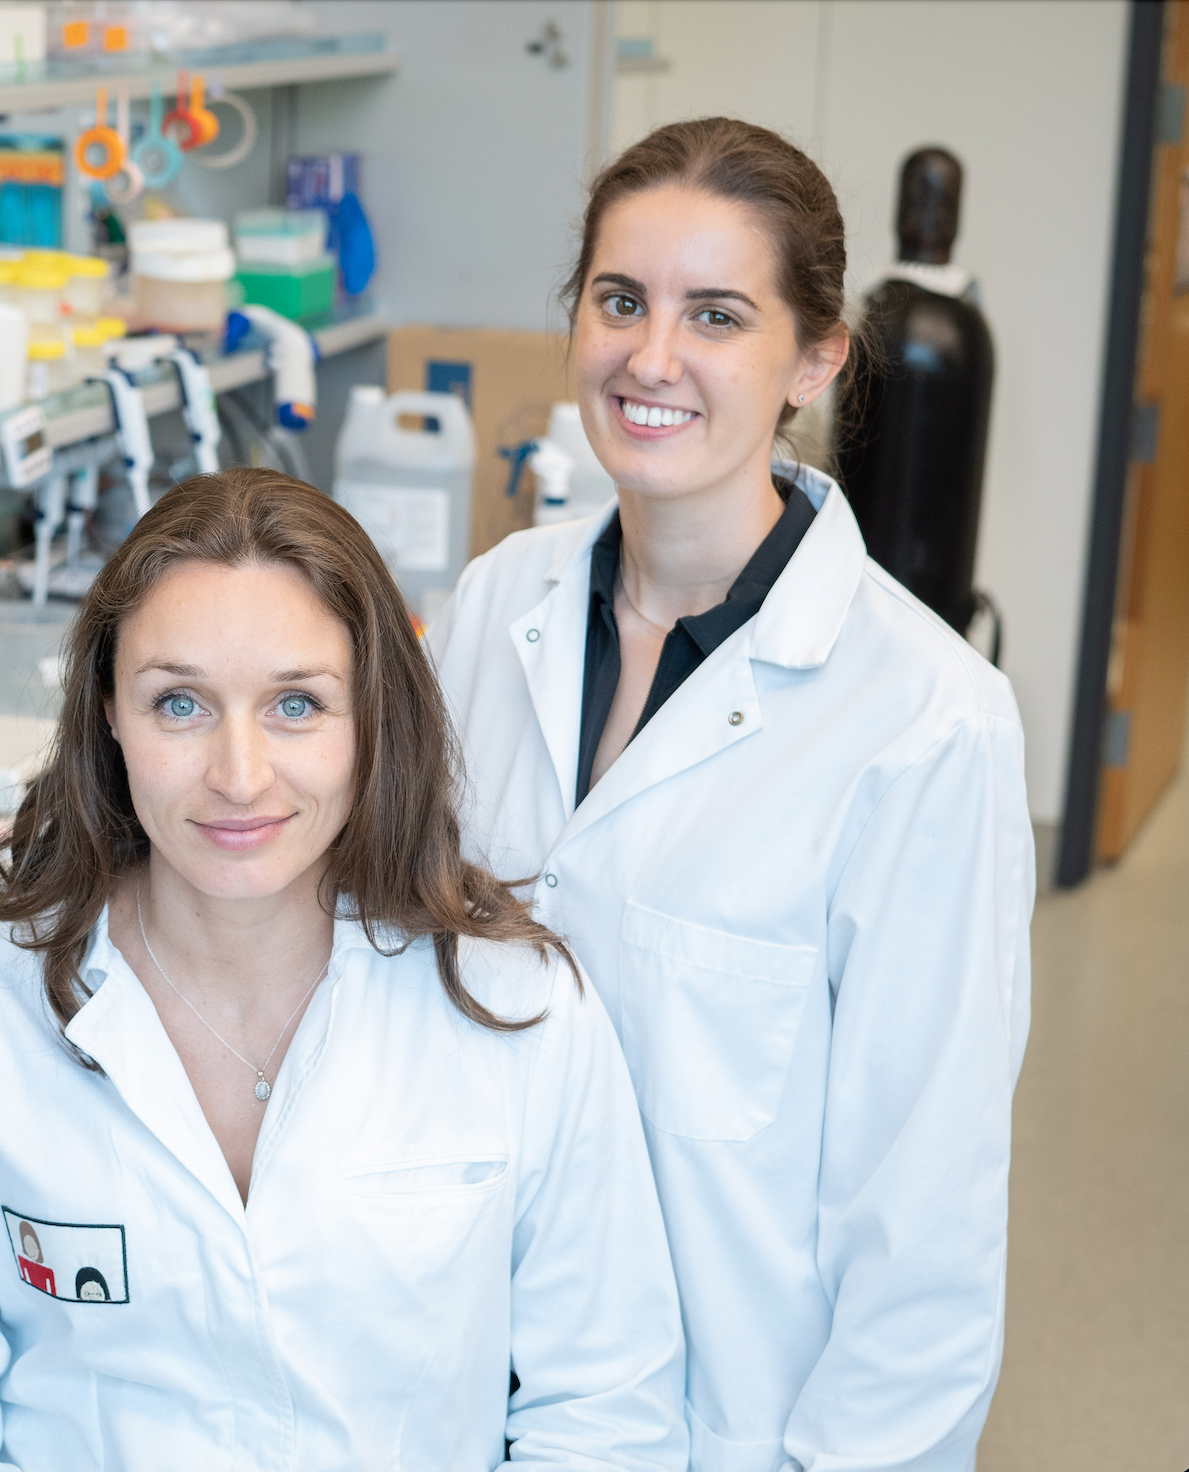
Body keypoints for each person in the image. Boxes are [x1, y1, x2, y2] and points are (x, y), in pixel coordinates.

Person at [0, 467, 689, 1471]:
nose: (239, 776)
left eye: (295, 704)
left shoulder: (518, 1005)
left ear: (372, 715)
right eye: (180, 702)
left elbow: (604, 1413)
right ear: (106, 709)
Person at [428, 117, 1034, 1470]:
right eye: (619, 302)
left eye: (715, 315)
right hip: (465, 1381)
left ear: (812, 359)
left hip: (728, 1424)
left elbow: (921, 1219)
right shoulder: (493, 609)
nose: (651, 359)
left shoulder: (923, 722)